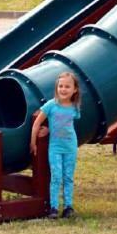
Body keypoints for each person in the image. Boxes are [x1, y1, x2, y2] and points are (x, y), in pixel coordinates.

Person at [30, 72, 82, 219]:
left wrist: (50, 129)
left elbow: (67, 124)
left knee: (68, 177)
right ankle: (53, 208)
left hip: (70, 147)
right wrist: (33, 142)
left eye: (67, 86)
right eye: (61, 86)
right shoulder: (51, 105)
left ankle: (68, 207)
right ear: (56, 88)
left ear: (75, 90)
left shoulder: (75, 108)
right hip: (55, 148)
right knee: (56, 176)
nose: (63, 89)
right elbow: (37, 123)